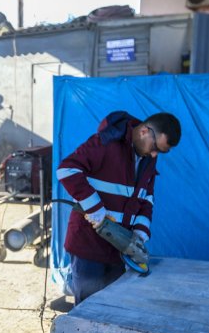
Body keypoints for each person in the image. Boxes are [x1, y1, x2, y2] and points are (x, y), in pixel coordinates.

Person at [57, 110, 181, 303]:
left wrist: (139, 234)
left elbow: (146, 198)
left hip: (117, 250)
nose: (155, 154)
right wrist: (95, 209)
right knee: (89, 312)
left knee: (111, 310)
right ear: (144, 132)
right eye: (156, 147)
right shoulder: (106, 143)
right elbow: (67, 170)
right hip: (88, 247)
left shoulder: (148, 158)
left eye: (161, 152)